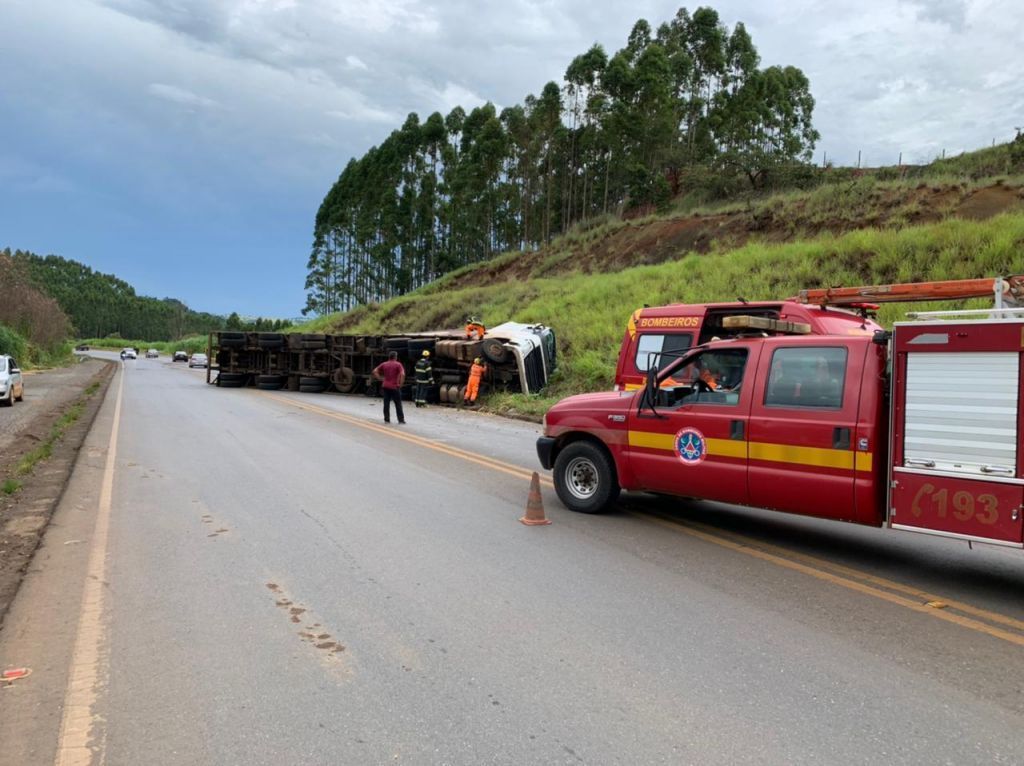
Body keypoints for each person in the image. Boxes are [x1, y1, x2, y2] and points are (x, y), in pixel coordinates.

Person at [372, 351, 406, 424]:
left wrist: (380, 378)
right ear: (395, 357)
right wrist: (401, 384)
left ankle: (387, 419)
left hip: (385, 386)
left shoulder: (384, 364)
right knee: (398, 404)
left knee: (386, 403)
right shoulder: (398, 364)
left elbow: (374, 371)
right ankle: (401, 420)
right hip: (394, 387)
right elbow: (402, 374)